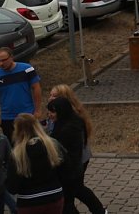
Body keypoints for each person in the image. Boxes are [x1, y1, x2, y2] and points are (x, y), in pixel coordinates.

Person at [47, 85, 104, 214]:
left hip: (77, 159)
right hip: (71, 160)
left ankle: (99, 210)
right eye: (50, 95)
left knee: (74, 190)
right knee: (75, 190)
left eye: (54, 96)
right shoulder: (55, 110)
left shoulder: (71, 117)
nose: (50, 98)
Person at [6, 113, 64, 214]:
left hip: (29, 202)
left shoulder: (17, 155)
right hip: (54, 196)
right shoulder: (52, 145)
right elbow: (66, 169)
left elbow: (12, 187)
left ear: (17, 131)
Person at [0, 48, 42, 141]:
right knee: (13, 146)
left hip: (27, 115)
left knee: (33, 142)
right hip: (8, 118)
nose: (1, 64)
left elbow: (36, 88)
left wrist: (38, 110)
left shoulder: (27, 69)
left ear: (11, 57)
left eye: (4, 60)